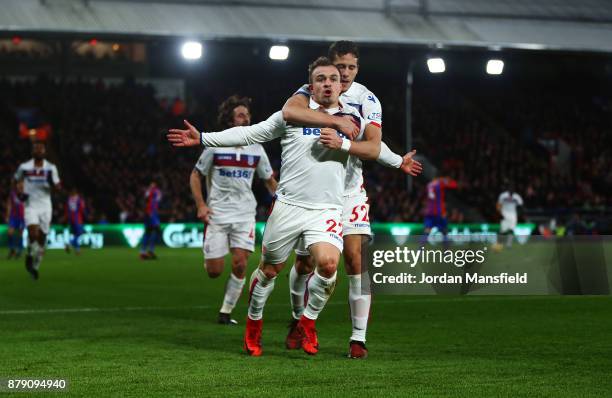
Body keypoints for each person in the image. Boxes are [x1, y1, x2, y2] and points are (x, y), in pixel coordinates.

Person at [169, 56, 393, 356]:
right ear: (310, 87)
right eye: (321, 79)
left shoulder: (354, 120)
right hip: (288, 206)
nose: (328, 83)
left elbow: (374, 149)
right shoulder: (292, 116)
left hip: (326, 210)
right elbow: (249, 132)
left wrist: (348, 145)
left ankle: (307, 322)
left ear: (341, 85)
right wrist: (205, 138)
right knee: (269, 271)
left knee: (328, 265)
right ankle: (254, 322)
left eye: (333, 79)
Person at [281, 40, 423, 359]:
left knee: (355, 261)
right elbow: (288, 115)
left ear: (358, 68)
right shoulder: (309, 92)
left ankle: (358, 338)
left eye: (351, 67)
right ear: (328, 66)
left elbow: (372, 147)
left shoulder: (366, 99)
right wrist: (396, 159)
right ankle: (296, 320)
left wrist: (371, 153)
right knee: (304, 263)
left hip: (349, 190)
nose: (344, 74)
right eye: (339, 67)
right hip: (313, 192)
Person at [190, 95, 278, 325]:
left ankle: (225, 312)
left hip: (244, 214)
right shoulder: (215, 144)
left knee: (240, 263)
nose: (245, 117)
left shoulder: (257, 148)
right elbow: (195, 175)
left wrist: (283, 202)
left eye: (247, 114)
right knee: (214, 271)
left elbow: (269, 180)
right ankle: (210, 255)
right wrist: (201, 204)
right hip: (217, 213)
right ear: (230, 119)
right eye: (240, 114)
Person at [14, 141, 61, 280]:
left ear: (45, 152)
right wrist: (19, 191)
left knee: (43, 238)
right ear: (32, 152)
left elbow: (58, 186)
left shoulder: (51, 168)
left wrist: (53, 185)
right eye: (36, 149)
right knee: (33, 233)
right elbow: (16, 180)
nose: (39, 151)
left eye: (41, 149)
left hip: (46, 205)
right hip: (31, 205)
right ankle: (29, 254)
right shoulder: (24, 167)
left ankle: (35, 265)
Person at [423, 176, 458, 243]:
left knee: (427, 231)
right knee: (444, 231)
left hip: (430, 212)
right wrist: (445, 179)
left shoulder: (429, 185)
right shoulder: (440, 183)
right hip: (439, 212)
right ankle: (446, 252)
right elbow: (454, 185)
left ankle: (420, 251)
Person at [494, 183, 524, 250]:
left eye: (513, 188)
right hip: (504, 213)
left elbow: (521, 206)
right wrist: (499, 213)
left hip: (513, 214)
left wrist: (519, 214)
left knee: (512, 229)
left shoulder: (517, 197)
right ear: (508, 189)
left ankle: (509, 244)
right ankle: (498, 244)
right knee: (503, 230)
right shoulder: (503, 195)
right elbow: (498, 204)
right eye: (510, 188)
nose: (512, 189)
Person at [140, 181, 162, 260]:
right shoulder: (153, 192)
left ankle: (146, 251)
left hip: (150, 214)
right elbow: (157, 199)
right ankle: (147, 251)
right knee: (154, 231)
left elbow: (157, 200)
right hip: (150, 215)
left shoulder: (151, 192)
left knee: (150, 233)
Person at [6, 181, 26, 259]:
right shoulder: (12, 194)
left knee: (20, 233)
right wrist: (8, 215)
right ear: (16, 185)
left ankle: (19, 251)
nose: (20, 185)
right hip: (13, 216)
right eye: (19, 183)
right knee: (10, 232)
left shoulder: (26, 194)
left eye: (22, 183)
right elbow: (9, 204)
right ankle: (12, 249)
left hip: (22, 217)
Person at [65, 187, 86, 255]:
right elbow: (82, 209)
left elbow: (67, 209)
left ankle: (77, 250)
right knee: (80, 233)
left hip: (71, 219)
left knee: (75, 234)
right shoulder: (79, 199)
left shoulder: (69, 199)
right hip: (78, 219)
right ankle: (70, 243)